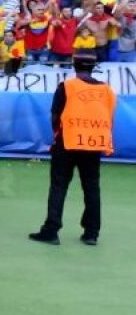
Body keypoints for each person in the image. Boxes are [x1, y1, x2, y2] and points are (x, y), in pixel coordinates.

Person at [29, 51, 116, 245]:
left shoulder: (66, 87)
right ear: (93, 67)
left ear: (74, 66)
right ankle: (91, 233)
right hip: (93, 144)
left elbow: (55, 116)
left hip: (67, 142)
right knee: (92, 187)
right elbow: (109, 118)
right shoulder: (108, 91)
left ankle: (51, 230)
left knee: (59, 186)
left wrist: (58, 134)